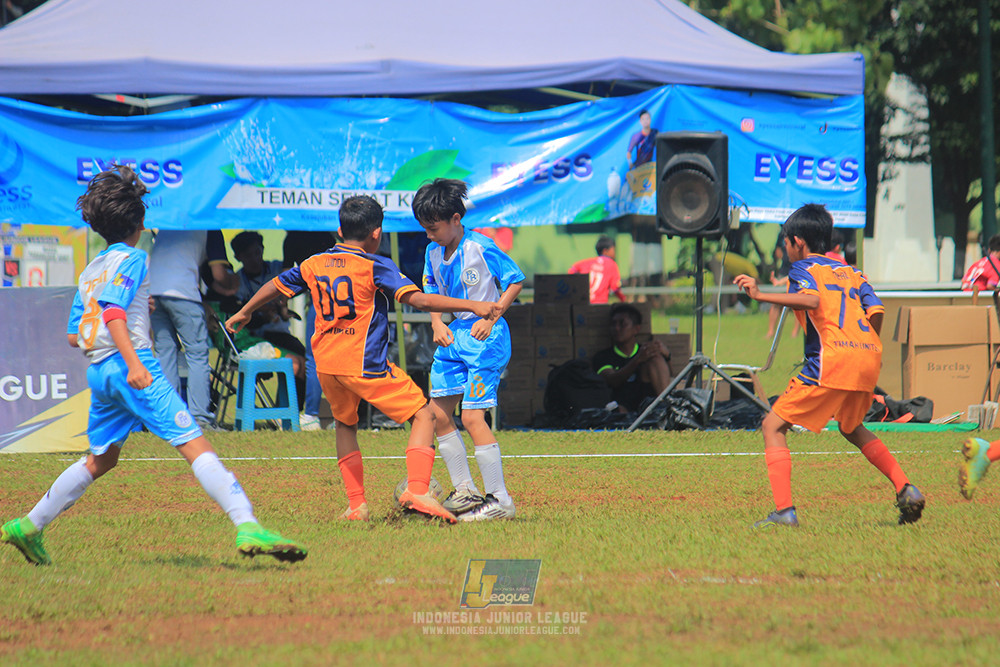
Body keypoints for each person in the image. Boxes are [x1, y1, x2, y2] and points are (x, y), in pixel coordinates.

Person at [0, 165, 306, 566]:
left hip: (100, 370)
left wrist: (130, 317)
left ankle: (28, 526)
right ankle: (247, 523)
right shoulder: (134, 258)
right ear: (141, 221)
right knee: (195, 443)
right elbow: (113, 313)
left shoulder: (92, 269)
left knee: (102, 459)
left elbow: (75, 335)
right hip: (131, 367)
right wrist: (134, 363)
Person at [226, 195, 501, 524]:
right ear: (377, 233)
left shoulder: (314, 263)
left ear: (340, 230)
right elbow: (421, 300)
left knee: (346, 424)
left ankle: (356, 505)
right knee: (424, 415)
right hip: (363, 363)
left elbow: (277, 284)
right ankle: (417, 490)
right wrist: (472, 306)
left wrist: (245, 311)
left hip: (327, 365)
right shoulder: (375, 265)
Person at [733, 203, 925, 529]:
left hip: (831, 359)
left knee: (772, 426)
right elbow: (876, 311)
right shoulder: (852, 272)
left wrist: (760, 295)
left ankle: (784, 512)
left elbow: (811, 300)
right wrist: (862, 348)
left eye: (785, 242)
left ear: (797, 242)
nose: (785, 249)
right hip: (866, 356)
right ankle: (906, 488)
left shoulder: (802, 268)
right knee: (851, 427)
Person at [413, 178, 525, 521]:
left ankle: (500, 500)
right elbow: (431, 290)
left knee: (472, 416)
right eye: (425, 229)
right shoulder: (433, 252)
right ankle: (465, 490)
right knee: (437, 414)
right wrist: (436, 323)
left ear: (456, 219)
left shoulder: (481, 246)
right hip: (453, 337)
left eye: (434, 228)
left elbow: (515, 279)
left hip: (484, 339)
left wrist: (492, 318)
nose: (429, 235)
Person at [148, 230, 238, 430]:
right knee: (197, 355)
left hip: (154, 291)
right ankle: (200, 418)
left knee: (165, 353)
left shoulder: (168, 223)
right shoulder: (209, 226)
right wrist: (233, 282)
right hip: (183, 293)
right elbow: (219, 275)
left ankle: (170, 418)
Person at [230, 231, 307, 408]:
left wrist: (283, 305)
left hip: (280, 334)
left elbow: (300, 282)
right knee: (297, 360)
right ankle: (285, 411)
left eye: (257, 253)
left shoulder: (277, 269)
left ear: (263, 250)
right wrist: (262, 314)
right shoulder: (238, 282)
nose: (254, 259)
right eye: (248, 255)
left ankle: (292, 410)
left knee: (305, 359)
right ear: (238, 257)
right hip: (257, 337)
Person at [283, 230, 338, 431]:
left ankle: (312, 415)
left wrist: (282, 305)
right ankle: (342, 416)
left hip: (319, 302)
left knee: (313, 359)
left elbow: (286, 277)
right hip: (344, 298)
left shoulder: (292, 238)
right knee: (341, 358)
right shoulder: (326, 234)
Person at [592, 303, 671, 413]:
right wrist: (637, 360)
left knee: (656, 359)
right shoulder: (603, 356)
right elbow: (612, 380)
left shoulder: (646, 351)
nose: (616, 328)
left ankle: (668, 408)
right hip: (622, 406)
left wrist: (667, 356)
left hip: (647, 404)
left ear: (636, 329)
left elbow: (667, 376)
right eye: (613, 324)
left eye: (622, 324)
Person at [568, 235, 626, 304]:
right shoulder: (611, 264)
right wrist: (623, 299)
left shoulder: (587, 263)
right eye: (613, 249)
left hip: (584, 302)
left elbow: (571, 271)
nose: (614, 253)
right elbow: (615, 287)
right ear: (605, 251)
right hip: (600, 303)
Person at [765, 232, 801, 340]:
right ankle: (771, 331)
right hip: (784, 271)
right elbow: (778, 251)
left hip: (797, 271)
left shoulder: (800, 233)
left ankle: (795, 333)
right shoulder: (782, 234)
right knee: (776, 302)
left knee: (798, 304)